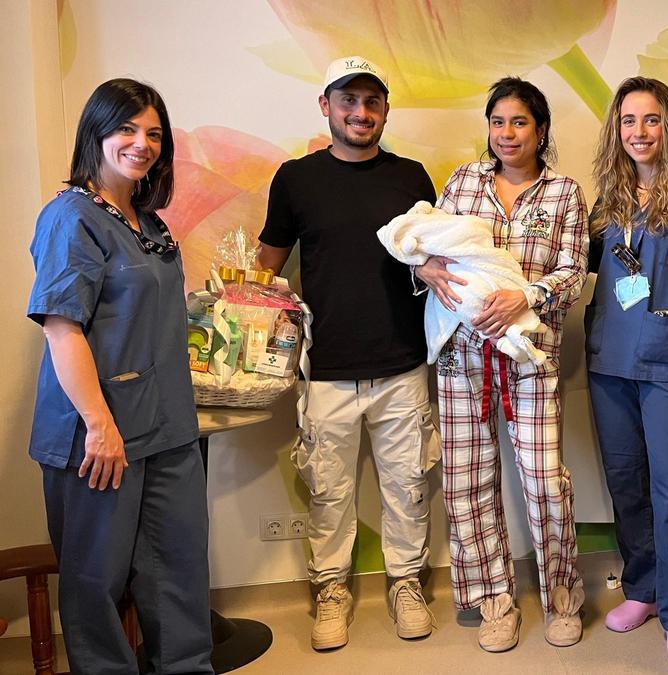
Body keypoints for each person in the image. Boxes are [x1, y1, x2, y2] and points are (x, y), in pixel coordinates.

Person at [27, 78, 212, 674]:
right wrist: (100, 427)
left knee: (178, 570)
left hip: (167, 428)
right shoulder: (70, 217)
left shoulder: (148, 222)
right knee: (96, 580)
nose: (142, 143)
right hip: (99, 435)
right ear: (97, 133)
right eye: (127, 129)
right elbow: (62, 329)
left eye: (154, 133)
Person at [256, 56, 441, 651]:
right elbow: (266, 268)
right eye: (348, 101)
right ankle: (331, 591)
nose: (360, 113)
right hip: (327, 369)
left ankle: (406, 583)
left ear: (385, 110)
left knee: (408, 485)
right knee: (329, 492)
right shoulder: (296, 179)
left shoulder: (413, 177)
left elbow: (433, 263)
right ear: (326, 107)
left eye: (372, 102)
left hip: (403, 363)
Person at [414, 77, 588, 653]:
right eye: (497, 122)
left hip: (530, 360)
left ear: (540, 130)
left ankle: (562, 594)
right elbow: (426, 248)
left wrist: (527, 297)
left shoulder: (563, 192)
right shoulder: (463, 181)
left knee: (544, 482)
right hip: (462, 360)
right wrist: (427, 272)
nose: (506, 134)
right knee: (466, 481)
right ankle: (492, 598)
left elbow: (573, 268)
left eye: (519, 123)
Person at [584, 77, 668, 667]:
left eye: (651, 120)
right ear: (617, 131)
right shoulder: (606, 202)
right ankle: (640, 588)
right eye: (628, 121)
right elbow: (576, 270)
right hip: (608, 364)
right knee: (626, 484)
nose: (639, 132)